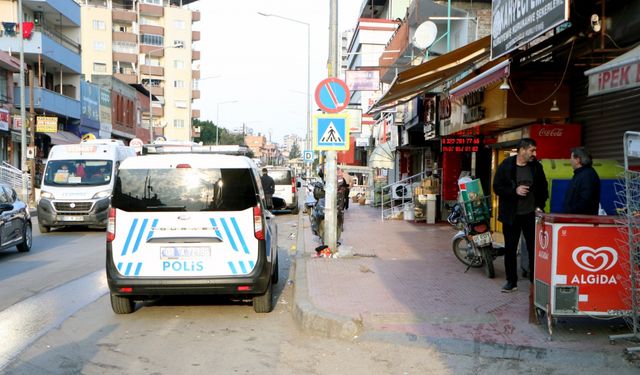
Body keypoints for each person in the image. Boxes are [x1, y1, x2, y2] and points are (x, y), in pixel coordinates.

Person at [493, 138, 548, 292]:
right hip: (511, 215)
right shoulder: (506, 165)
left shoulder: (536, 167)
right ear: (522, 150)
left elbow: (543, 188)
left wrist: (539, 206)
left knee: (533, 248)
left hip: (530, 214)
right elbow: (497, 187)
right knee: (510, 249)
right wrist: (514, 191)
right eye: (532, 150)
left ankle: (534, 279)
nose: (534, 154)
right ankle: (511, 281)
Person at [563, 146, 601, 215]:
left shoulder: (588, 176)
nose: (570, 160)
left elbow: (585, 201)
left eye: (571, 157)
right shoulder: (581, 174)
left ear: (577, 160)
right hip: (575, 219)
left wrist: (570, 212)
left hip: (581, 221)